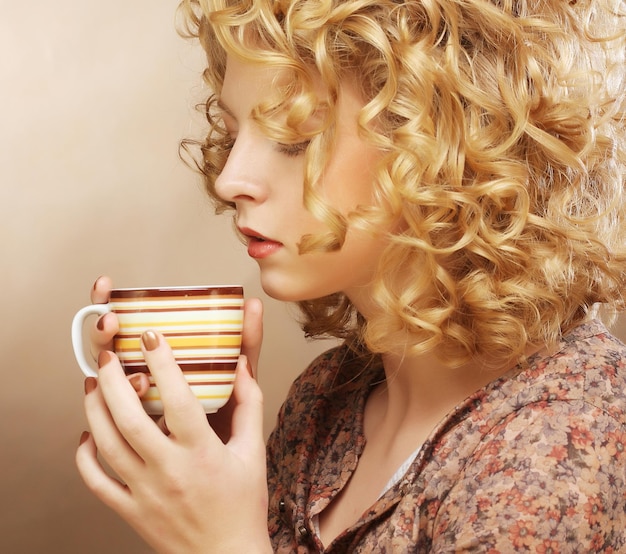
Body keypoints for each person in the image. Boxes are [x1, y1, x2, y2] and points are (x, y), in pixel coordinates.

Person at [76, 0, 626, 551]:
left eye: (294, 136)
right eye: (233, 129)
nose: (229, 178)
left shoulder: (564, 442)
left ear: (447, 147)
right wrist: (208, 471)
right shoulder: (325, 400)